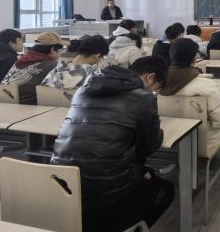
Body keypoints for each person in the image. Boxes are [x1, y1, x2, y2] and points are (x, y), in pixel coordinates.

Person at [51, 56, 173, 232]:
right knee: (166, 190)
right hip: (106, 197)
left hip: (62, 186)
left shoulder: (83, 90)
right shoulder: (143, 98)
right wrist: (157, 130)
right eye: (157, 88)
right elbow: (148, 148)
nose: (155, 92)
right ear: (150, 78)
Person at [161, 38, 220, 160]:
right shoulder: (204, 85)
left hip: (170, 137)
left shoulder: (158, 83)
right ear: (194, 59)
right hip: (201, 140)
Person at [1, 32, 67, 104]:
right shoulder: (52, 65)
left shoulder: (19, 61)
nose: (61, 53)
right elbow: (67, 85)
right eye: (61, 50)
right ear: (53, 50)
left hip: (3, 102)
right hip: (27, 107)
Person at [42, 35, 109, 90]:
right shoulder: (89, 73)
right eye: (102, 57)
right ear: (97, 55)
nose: (101, 60)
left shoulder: (59, 66)